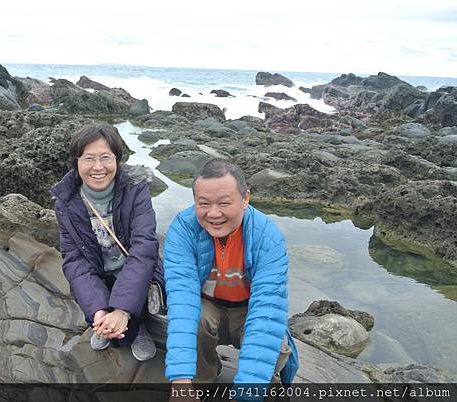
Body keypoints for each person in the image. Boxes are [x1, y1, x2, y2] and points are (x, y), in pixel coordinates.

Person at [164, 159, 299, 393]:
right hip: (207, 307)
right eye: (203, 203)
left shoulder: (268, 237)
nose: (213, 214)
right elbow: (182, 301)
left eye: (224, 203)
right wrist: (181, 382)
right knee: (194, 321)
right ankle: (201, 381)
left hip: (248, 310)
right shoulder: (183, 230)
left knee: (274, 345)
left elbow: (266, 311)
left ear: (245, 198)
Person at [50, 124, 163, 361]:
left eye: (105, 158)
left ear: (117, 160)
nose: (98, 167)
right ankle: (102, 321)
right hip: (100, 273)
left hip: (133, 269)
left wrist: (122, 310)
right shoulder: (66, 202)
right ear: (76, 162)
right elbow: (74, 260)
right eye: (89, 158)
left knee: (129, 321)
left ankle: (136, 324)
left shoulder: (136, 190)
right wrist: (99, 313)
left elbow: (144, 249)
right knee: (93, 301)